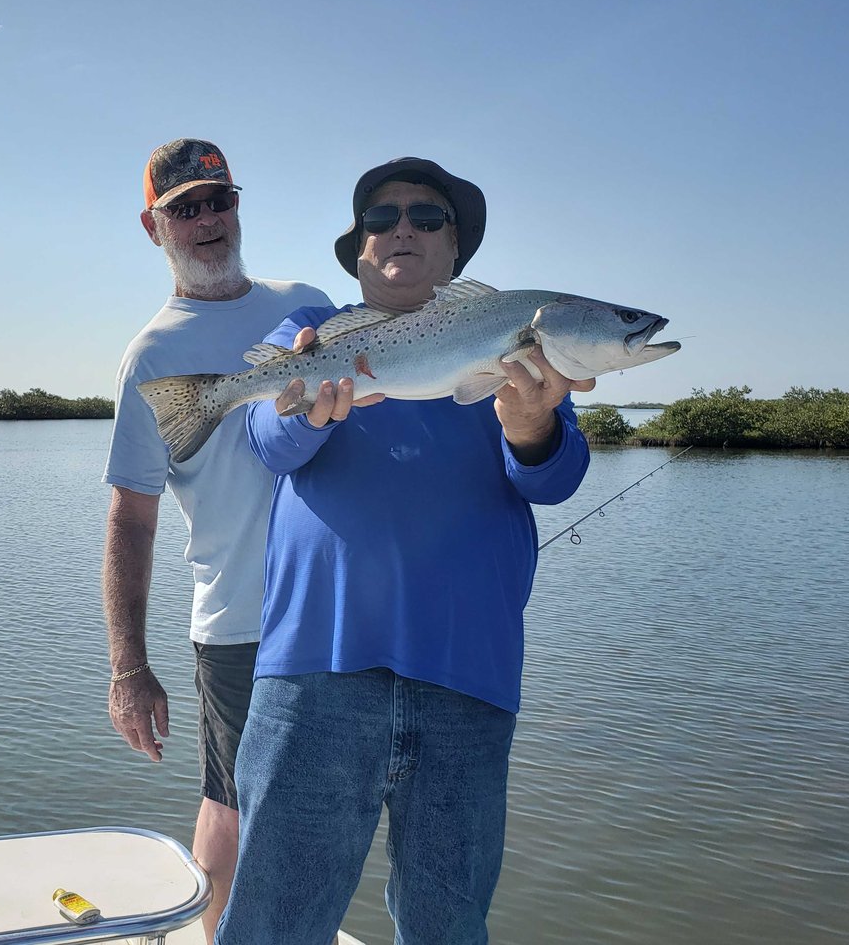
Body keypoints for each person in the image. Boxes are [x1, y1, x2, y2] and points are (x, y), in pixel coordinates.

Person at [215, 158, 594, 945]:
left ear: (456, 251)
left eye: (427, 218)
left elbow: (555, 481)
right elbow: (267, 443)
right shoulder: (310, 337)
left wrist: (529, 423)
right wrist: (307, 414)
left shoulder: (522, 348)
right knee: (274, 917)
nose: (402, 230)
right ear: (357, 248)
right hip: (315, 669)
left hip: (468, 673)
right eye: (382, 218)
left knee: (447, 922)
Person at [101, 138, 332, 943]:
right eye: (184, 208)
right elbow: (131, 519)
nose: (207, 219)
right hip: (239, 618)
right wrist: (128, 667)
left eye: (219, 200)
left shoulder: (308, 302)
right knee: (234, 805)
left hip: (341, 607)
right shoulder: (152, 355)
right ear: (151, 226)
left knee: (299, 804)